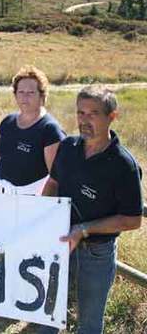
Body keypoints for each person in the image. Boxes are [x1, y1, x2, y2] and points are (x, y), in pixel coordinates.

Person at [40, 86, 143, 334]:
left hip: (96, 252)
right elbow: (53, 183)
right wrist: (42, 217)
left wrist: (84, 230)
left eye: (93, 113)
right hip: (59, 242)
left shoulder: (123, 165)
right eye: (80, 113)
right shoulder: (68, 147)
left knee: (89, 320)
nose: (84, 121)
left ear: (112, 116)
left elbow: (133, 220)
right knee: (48, 309)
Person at [0, 65, 64, 195]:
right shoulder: (7, 122)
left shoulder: (50, 130)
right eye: (21, 92)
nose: (25, 97)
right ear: (15, 95)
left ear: (42, 95)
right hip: (1, 196)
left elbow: (56, 179)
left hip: (33, 201)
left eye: (31, 93)